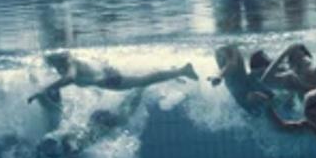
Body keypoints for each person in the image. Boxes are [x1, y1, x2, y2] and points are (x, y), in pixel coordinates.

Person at [28, 51, 196, 104]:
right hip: (106, 76)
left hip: (110, 79)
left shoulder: (70, 63)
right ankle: (173, 72)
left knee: (144, 81)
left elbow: (70, 78)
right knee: (142, 79)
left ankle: (182, 70)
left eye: (50, 60)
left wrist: (46, 89)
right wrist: (48, 90)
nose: (48, 63)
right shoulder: (63, 64)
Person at [208, 45, 275, 116]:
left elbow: (231, 64)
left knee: (254, 97)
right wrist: (218, 76)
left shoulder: (227, 48)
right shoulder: (223, 49)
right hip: (244, 93)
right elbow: (229, 66)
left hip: (247, 90)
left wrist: (219, 76)